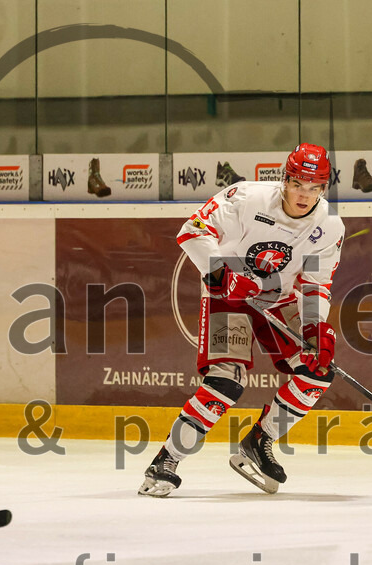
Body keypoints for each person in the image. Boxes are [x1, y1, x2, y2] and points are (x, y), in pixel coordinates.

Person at [138, 143, 344, 497]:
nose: (304, 194)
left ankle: (259, 441)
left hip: (280, 299)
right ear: (285, 179)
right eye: (298, 184)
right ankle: (166, 460)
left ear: (324, 188)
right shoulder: (246, 197)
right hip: (229, 296)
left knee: (317, 371)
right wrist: (222, 273)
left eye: (314, 187)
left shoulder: (329, 226)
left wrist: (317, 327)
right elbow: (192, 231)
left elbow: (315, 283)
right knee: (226, 382)